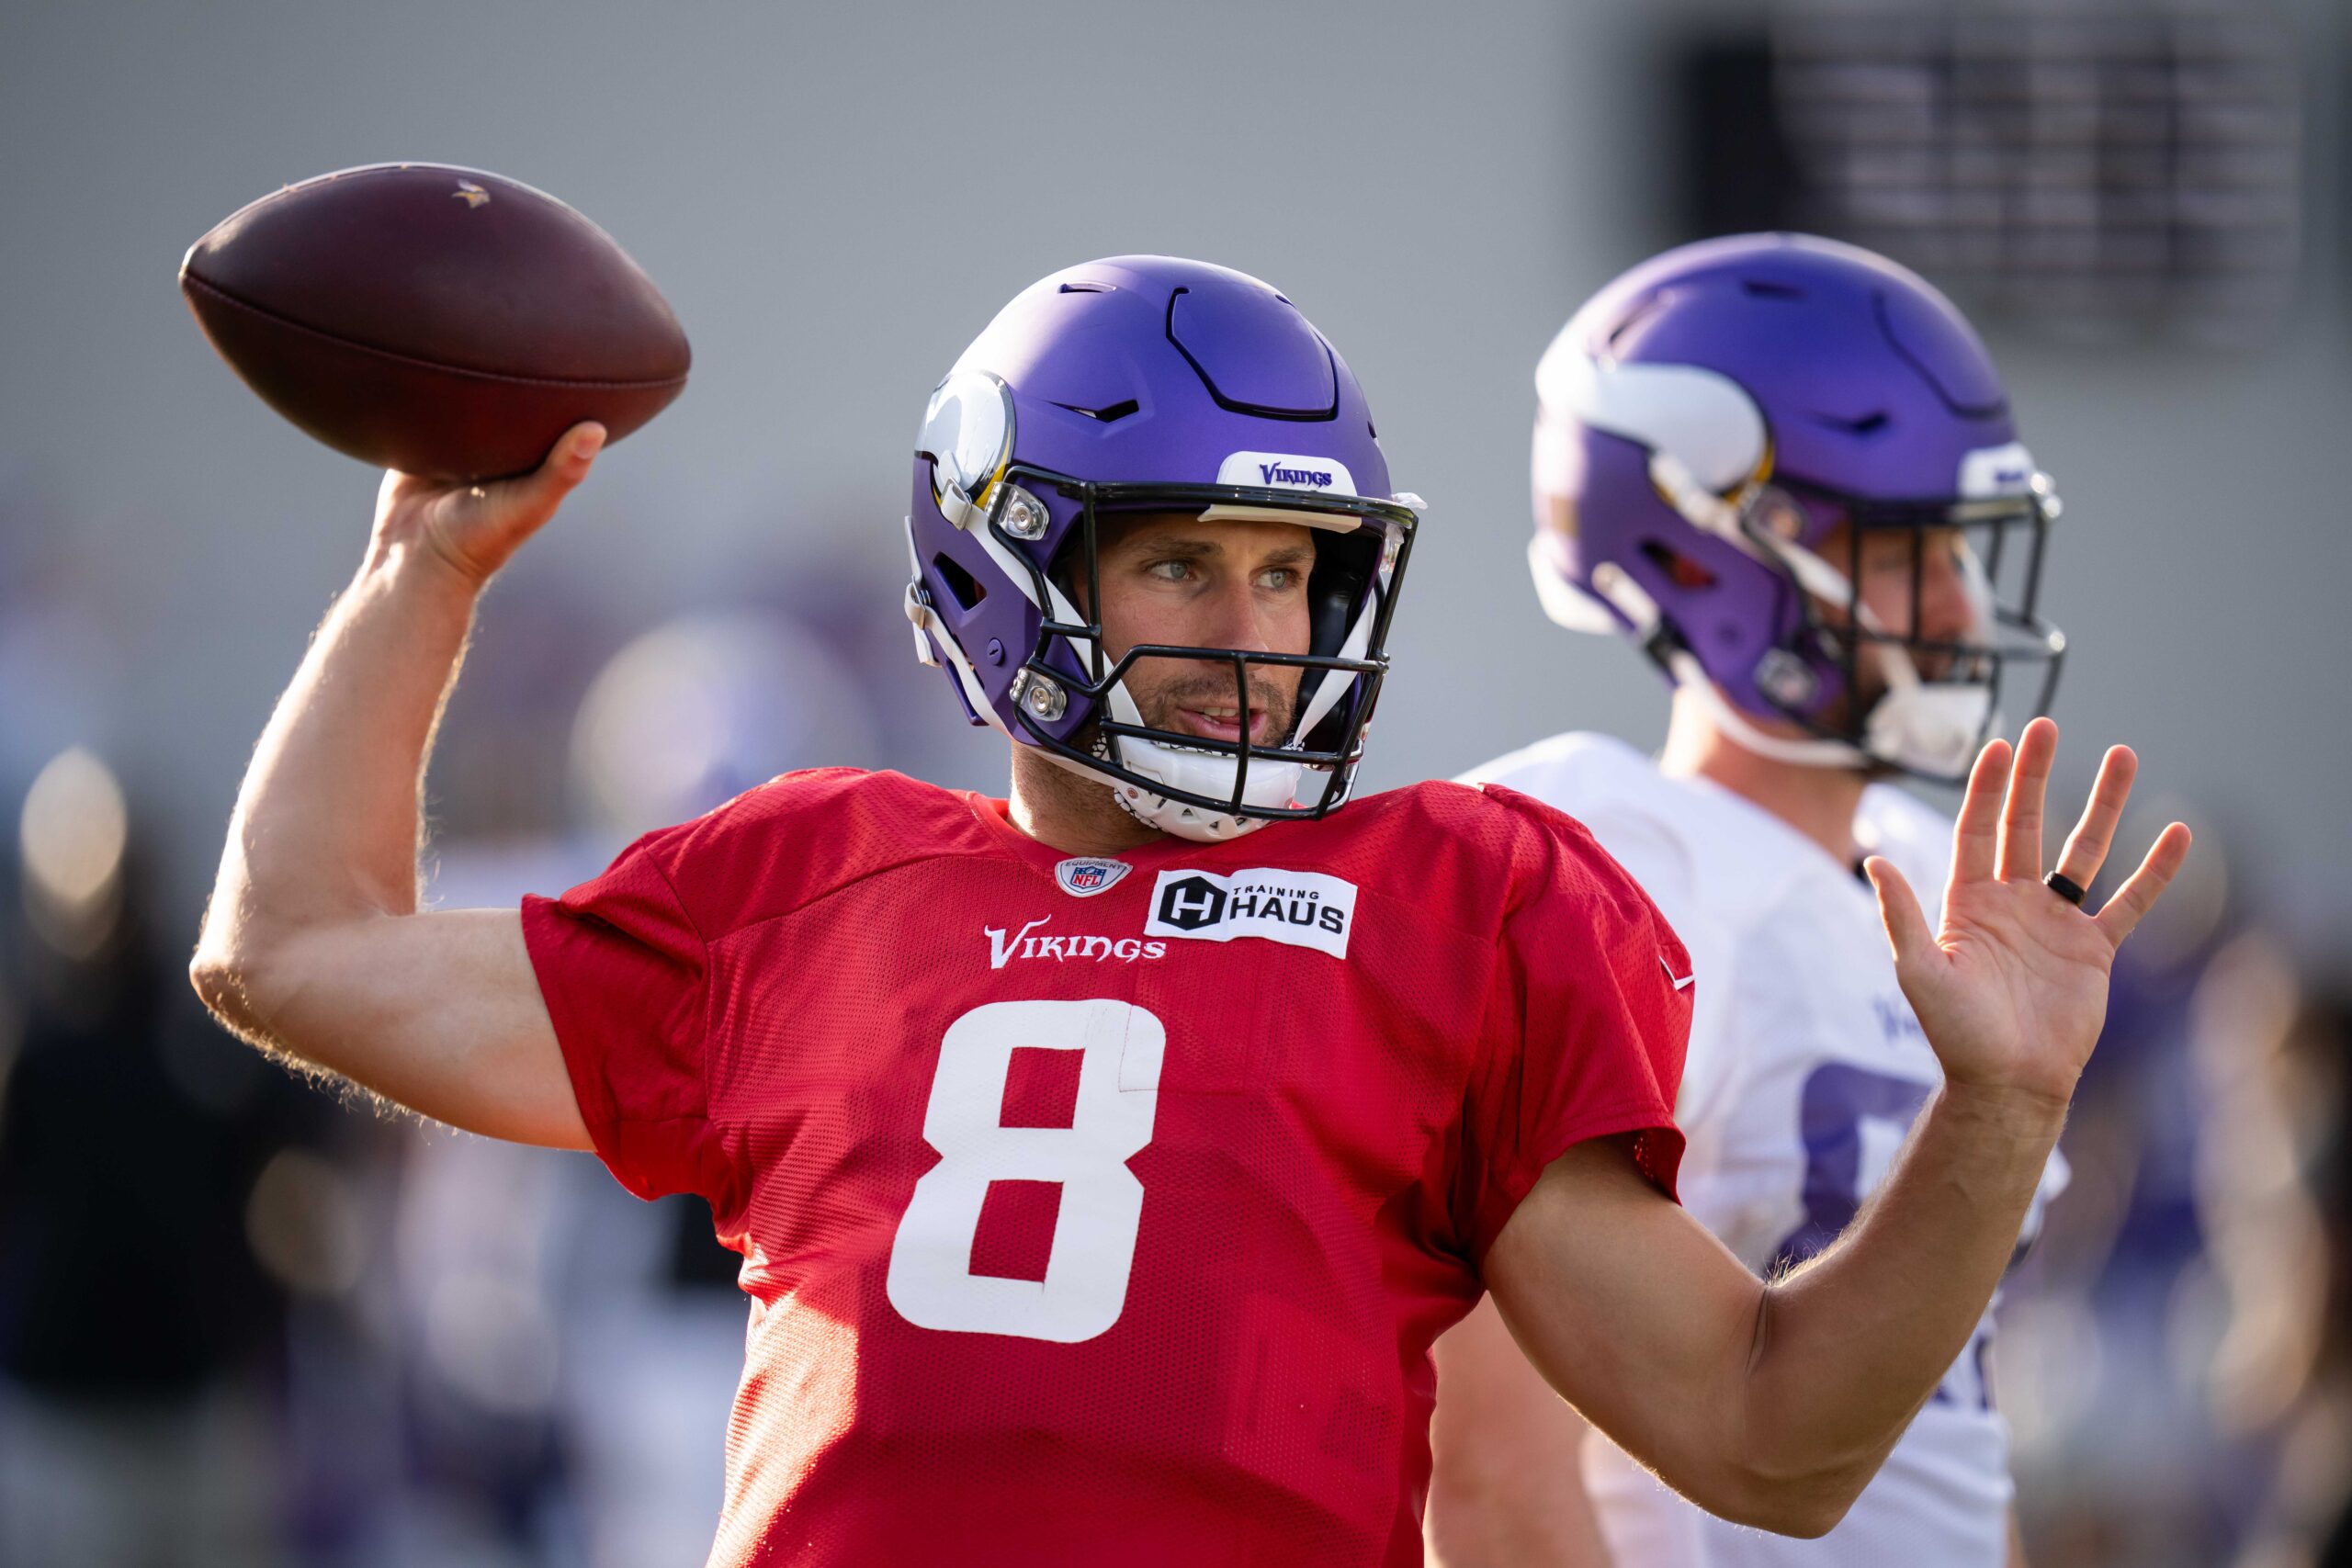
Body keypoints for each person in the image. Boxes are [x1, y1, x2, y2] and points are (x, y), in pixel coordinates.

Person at [190, 254, 2188, 1567]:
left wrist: (1992, 1111)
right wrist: (421, 578)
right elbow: (292, 947)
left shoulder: (1457, 895)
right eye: (1187, 568)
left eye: (1293, 574)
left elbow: (1767, 1435)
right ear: (1009, 567)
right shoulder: (809, 877)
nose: (1256, 638)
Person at [1423, 233, 2095, 1568]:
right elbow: (1492, 1469)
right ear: (1715, 554)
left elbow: (1951, 1432)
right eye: (1910, 555)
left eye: (1960, 552)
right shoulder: (1595, 859)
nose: (1961, 609)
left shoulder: (1934, 869)